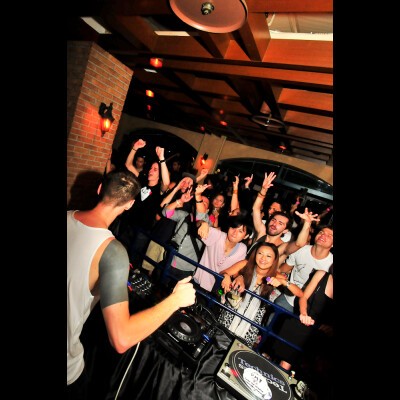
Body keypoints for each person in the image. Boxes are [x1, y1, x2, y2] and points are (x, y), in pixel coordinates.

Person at [67, 170, 196, 399]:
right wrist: (175, 300)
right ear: (129, 204)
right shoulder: (112, 251)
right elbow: (122, 339)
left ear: (100, 189)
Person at [217, 242, 297, 348]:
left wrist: (284, 282)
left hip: (251, 326)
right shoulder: (245, 264)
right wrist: (228, 276)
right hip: (229, 316)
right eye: (260, 253)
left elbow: (298, 293)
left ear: (274, 260)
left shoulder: (276, 276)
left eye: (268, 256)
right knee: (215, 346)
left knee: (236, 354)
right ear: (255, 254)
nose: (263, 258)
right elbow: (222, 273)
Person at [271, 264, 334, 372]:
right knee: (282, 363)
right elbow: (303, 297)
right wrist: (304, 314)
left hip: (319, 338)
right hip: (302, 324)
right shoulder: (322, 275)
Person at [193, 214, 252, 293]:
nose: (235, 233)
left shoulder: (242, 249)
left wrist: (240, 276)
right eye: (233, 227)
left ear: (246, 236)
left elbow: (236, 269)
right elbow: (198, 226)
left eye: (240, 231)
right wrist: (202, 223)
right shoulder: (217, 235)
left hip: (217, 290)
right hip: (199, 283)